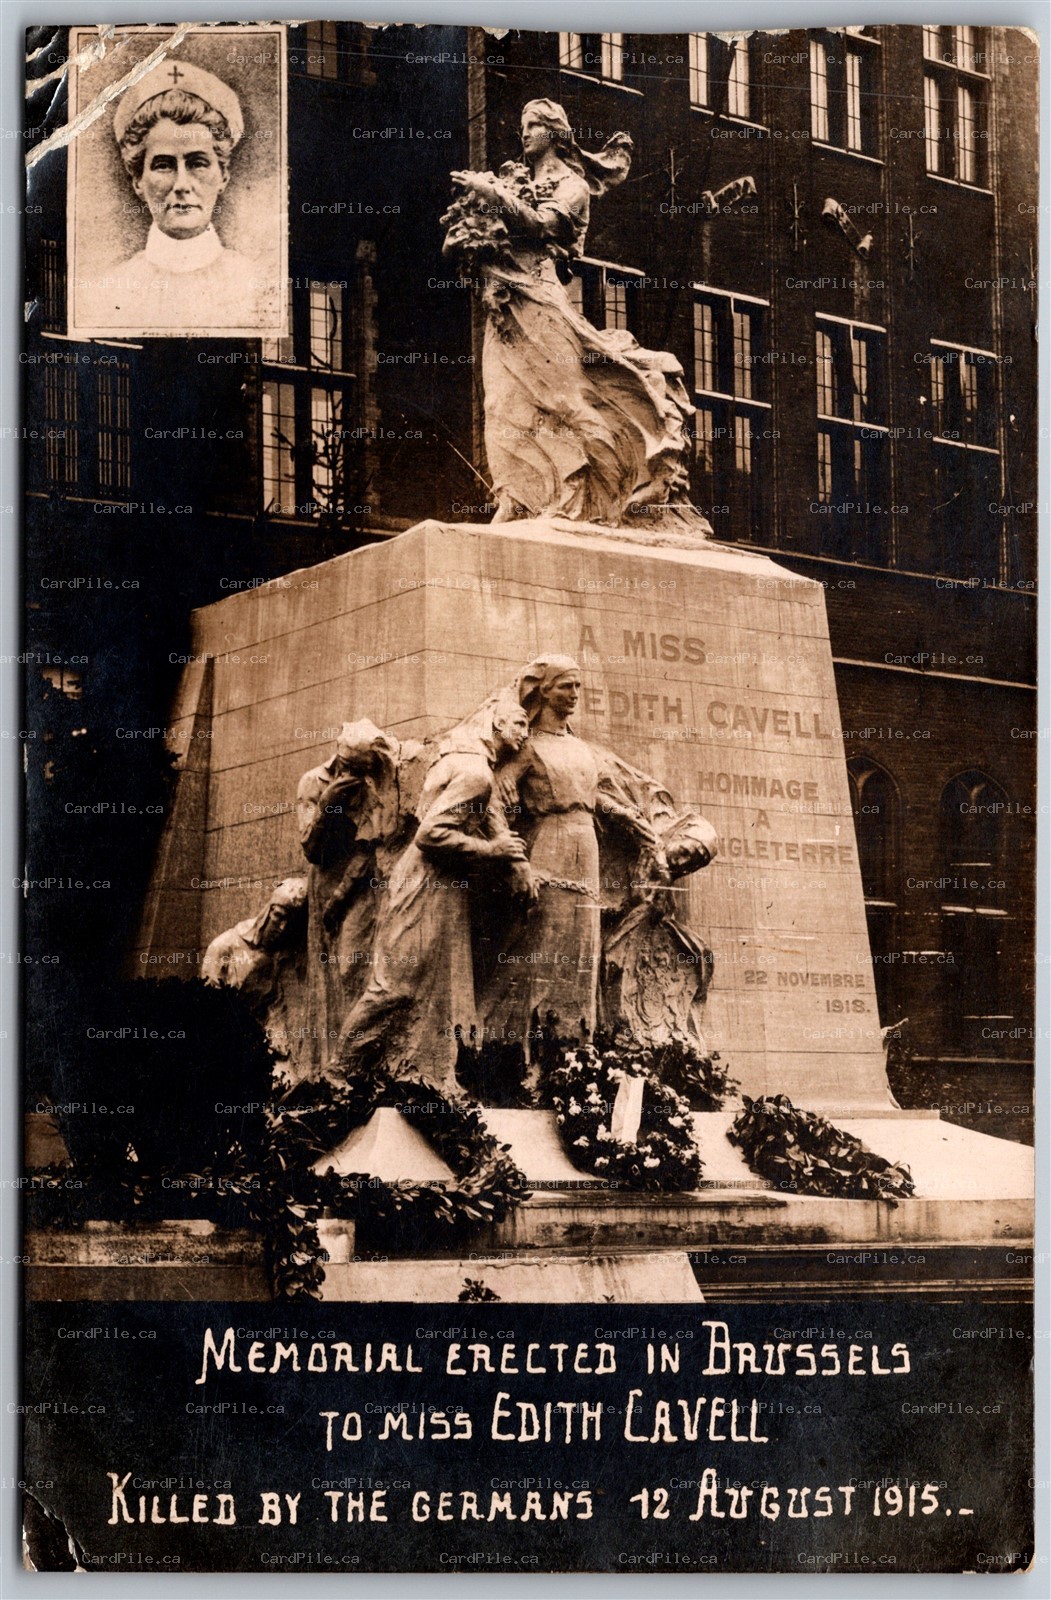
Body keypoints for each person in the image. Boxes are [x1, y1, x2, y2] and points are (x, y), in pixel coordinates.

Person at [445, 99, 694, 524]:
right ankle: (516, 499)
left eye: (533, 126)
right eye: (523, 126)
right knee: (502, 404)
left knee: (563, 400)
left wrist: (494, 197)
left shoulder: (572, 188)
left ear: (555, 135)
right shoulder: (517, 179)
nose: (524, 134)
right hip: (504, 307)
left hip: (540, 300)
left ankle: (589, 488)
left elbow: (542, 226)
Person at [330, 698, 533, 1096]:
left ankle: (421, 1072)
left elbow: (489, 816)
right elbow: (430, 835)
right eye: (519, 724)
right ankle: (338, 1073)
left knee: (439, 986)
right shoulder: (476, 771)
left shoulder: (465, 759)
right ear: (494, 724)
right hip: (427, 883)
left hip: (441, 884)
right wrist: (493, 853)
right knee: (395, 984)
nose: (525, 735)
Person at [478, 656, 659, 1060]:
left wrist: (629, 818)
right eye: (566, 687)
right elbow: (492, 795)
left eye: (578, 687)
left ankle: (576, 1052)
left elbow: (593, 796)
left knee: (582, 948)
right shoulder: (528, 749)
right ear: (544, 691)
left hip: (586, 847)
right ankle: (523, 1052)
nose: (574, 695)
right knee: (544, 945)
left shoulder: (581, 748)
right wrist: (512, 856)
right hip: (549, 843)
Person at [84, 59, 279, 329]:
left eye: (197, 163)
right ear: (138, 180)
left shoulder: (256, 284)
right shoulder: (107, 292)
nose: (181, 185)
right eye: (164, 165)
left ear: (223, 175)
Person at [295, 721, 421, 1076]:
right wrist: (326, 806)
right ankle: (328, 1069)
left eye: (362, 768)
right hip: (325, 881)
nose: (354, 773)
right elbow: (310, 849)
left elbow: (371, 846)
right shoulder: (313, 782)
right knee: (328, 976)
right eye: (349, 766)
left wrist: (341, 897)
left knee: (356, 967)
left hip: (363, 885)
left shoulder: (378, 782)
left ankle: (360, 1065)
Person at [200, 877, 307, 1064]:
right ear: (267, 912)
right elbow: (209, 1005)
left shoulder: (284, 956)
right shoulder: (224, 947)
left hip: (268, 1042)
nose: (282, 928)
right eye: (279, 916)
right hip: (227, 1041)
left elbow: (279, 1006)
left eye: (290, 922)